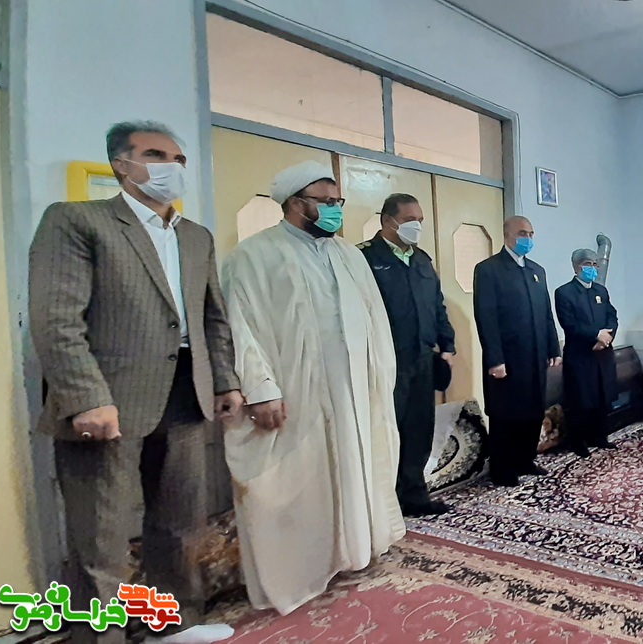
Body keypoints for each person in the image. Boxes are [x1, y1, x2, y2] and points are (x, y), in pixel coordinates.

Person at [29, 121, 242, 644]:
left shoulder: (195, 237)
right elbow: (57, 319)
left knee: (179, 524)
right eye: (156, 155)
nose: (172, 166)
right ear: (121, 165)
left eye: (178, 158)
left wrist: (225, 381)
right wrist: (85, 397)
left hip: (185, 395)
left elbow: (211, 317)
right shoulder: (79, 221)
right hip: (108, 399)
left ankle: (172, 624)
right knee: (100, 536)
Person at [222, 160, 404, 615]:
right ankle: (300, 572)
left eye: (337, 201)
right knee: (299, 480)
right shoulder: (253, 255)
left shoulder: (348, 255)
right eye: (324, 201)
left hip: (353, 390)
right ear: (294, 203)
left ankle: (353, 551)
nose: (334, 209)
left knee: (354, 467)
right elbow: (239, 329)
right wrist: (261, 389)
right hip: (293, 394)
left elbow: (375, 321)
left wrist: (380, 374)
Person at [358, 193, 457, 517]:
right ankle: (383, 502)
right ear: (388, 220)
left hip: (422, 358)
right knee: (386, 431)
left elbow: (437, 305)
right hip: (386, 361)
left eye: (420, 220)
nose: (417, 226)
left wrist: (447, 344)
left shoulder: (422, 259)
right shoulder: (364, 258)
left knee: (418, 429)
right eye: (410, 220)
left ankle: (414, 496)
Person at [473, 215, 561, 486]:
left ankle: (525, 460)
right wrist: (495, 359)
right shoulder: (489, 269)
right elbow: (486, 317)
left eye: (531, 234)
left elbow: (546, 313)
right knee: (506, 414)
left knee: (533, 411)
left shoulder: (536, 271)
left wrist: (553, 347)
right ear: (507, 235)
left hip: (535, 356)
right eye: (523, 233)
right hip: (507, 359)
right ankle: (502, 468)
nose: (528, 239)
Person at [554, 249, 620, 457]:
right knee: (581, 401)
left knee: (602, 397)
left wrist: (607, 337)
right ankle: (578, 442)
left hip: (602, 354)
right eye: (587, 264)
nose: (592, 268)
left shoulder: (601, 291)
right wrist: (595, 336)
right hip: (580, 355)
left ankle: (599, 436)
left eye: (594, 264)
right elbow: (569, 324)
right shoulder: (564, 292)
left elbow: (612, 316)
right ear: (576, 267)